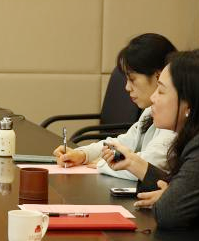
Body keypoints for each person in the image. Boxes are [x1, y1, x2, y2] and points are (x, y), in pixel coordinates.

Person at [109, 50, 199, 241]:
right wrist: (169, 191)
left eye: (161, 91)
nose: (153, 98)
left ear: (189, 104)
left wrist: (169, 196)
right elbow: (181, 187)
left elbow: (168, 213)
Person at [53, 33, 177, 180]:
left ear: (159, 76)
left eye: (132, 79)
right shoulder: (150, 110)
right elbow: (123, 143)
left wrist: (103, 164)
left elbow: (150, 166)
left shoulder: (175, 119)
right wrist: (83, 155)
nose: (127, 87)